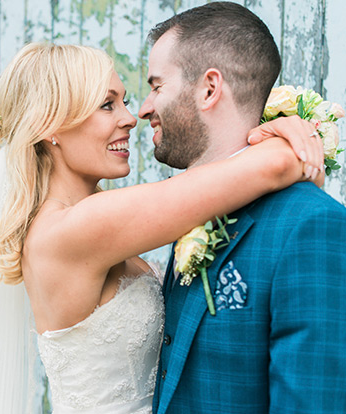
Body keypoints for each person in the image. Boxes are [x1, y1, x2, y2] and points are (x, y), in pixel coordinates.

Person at [0, 41, 323, 414]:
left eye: (125, 101)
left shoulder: (84, 219)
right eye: (107, 105)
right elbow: (274, 166)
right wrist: (290, 131)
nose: (130, 118)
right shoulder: (75, 228)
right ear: (50, 127)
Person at [137, 3, 346, 414]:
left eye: (157, 86)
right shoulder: (184, 208)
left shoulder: (311, 225)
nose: (144, 107)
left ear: (209, 88)